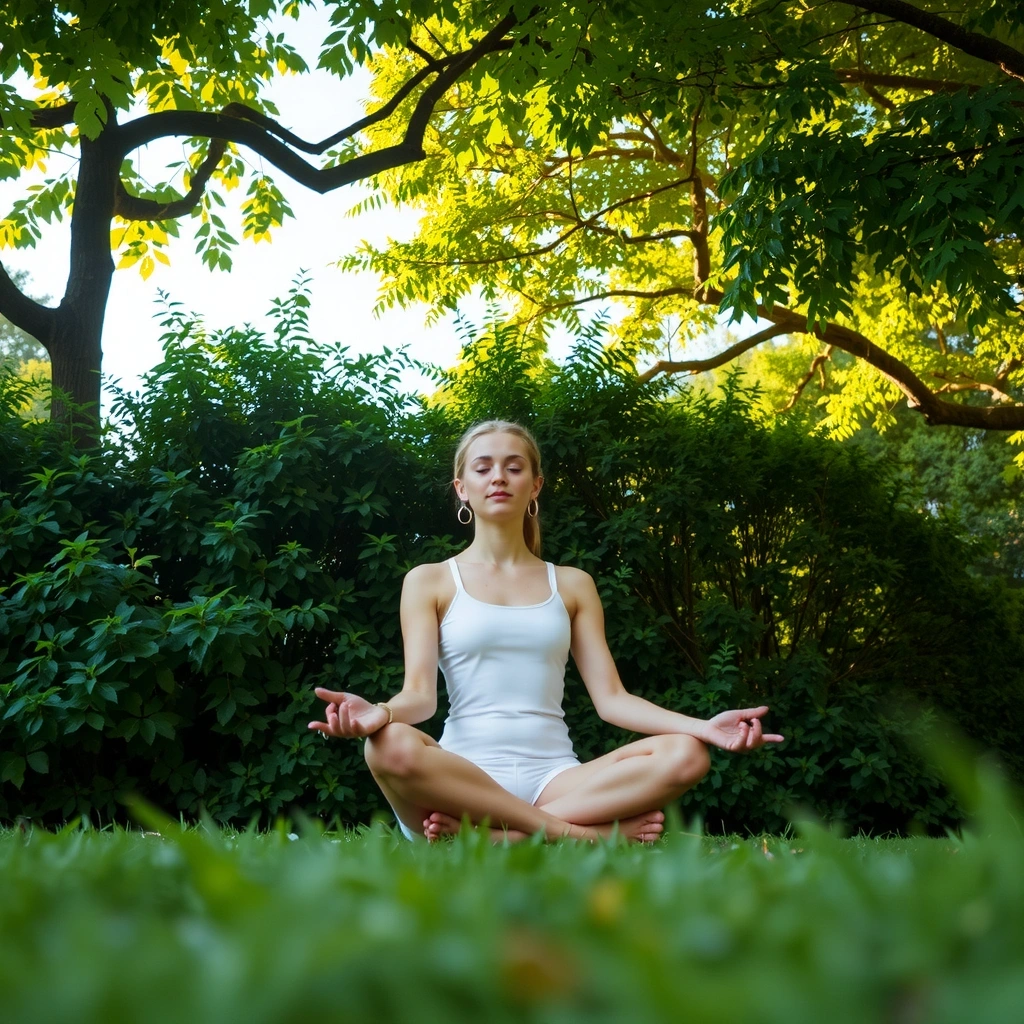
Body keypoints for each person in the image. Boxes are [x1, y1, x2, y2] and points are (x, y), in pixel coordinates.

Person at [309, 420, 784, 842]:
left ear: (535, 485)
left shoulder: (573, 584)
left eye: (514, 467)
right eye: (483, 467)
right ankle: (578, 835)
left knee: (688, 755)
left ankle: (497, 837)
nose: (498, 476)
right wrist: (380, 713)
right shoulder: (429, 580)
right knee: (387, 744)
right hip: (460, 779)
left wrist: (704, 728)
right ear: (461, 487)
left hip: (557, 778)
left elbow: (612, 700)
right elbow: (420, 697)